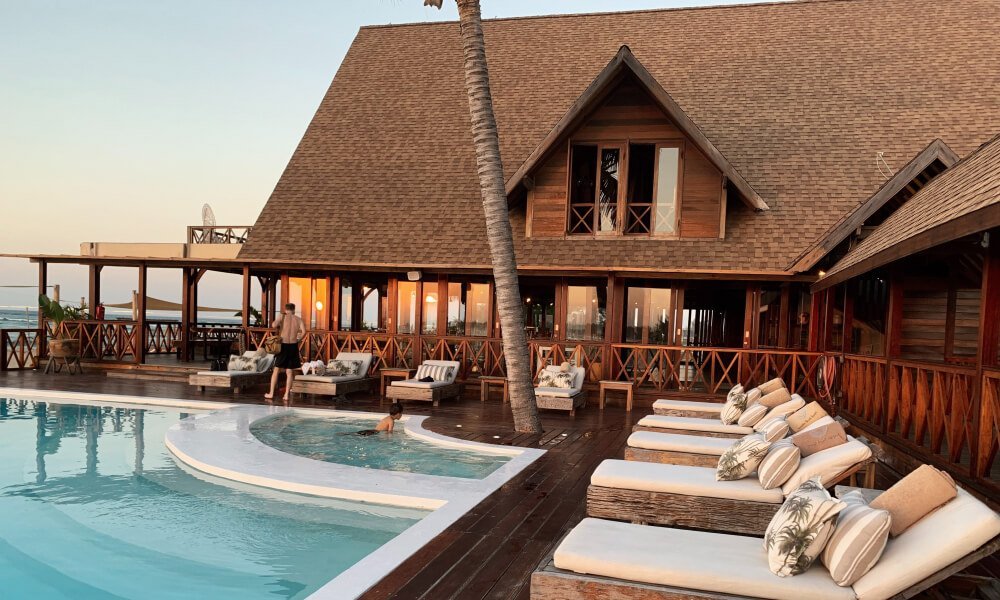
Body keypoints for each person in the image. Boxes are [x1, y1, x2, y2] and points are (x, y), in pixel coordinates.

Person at [265, 303, 305, 403]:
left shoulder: (282, 316)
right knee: (289, 372)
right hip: (293, 346)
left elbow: (273, 325)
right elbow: (304, 332)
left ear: (286, 309)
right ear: (294, 310)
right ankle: (286, 395)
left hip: (283, 345)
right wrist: (299, 340)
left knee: (276, 370)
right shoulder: (298, 319)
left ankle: (271, 393)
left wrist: (279, 318)